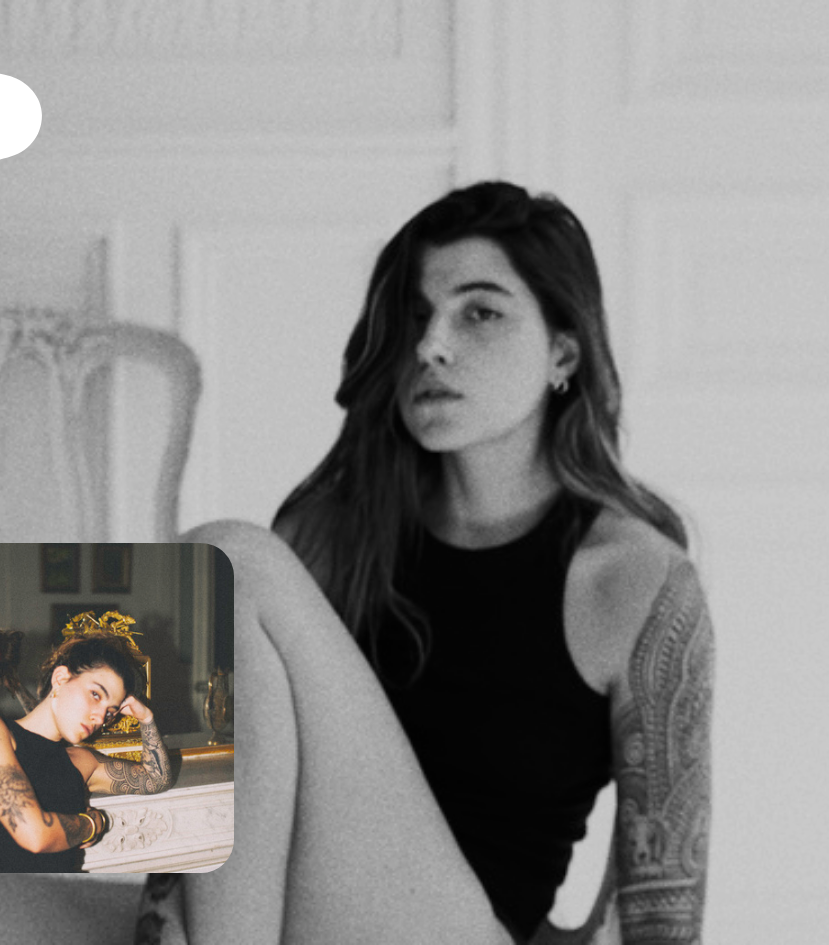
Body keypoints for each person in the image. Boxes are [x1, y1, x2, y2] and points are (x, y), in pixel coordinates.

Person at [145, 181, 715, 944]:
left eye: (479, 312)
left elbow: (664, 913)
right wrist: (164, 903)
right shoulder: (334, 530)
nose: (429, 345)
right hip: (279, 912)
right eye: (416, 315)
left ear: (562, 352)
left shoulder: (631, 576)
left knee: (226, 561)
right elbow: (220, 769)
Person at [0, 632, 175, 872]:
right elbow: (36, 836)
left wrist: (146, 718)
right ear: (60, 678)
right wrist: (94, 823)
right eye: (95, 694)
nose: (100, 717)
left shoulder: (81, 761)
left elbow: (157, 779)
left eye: (110, 711)